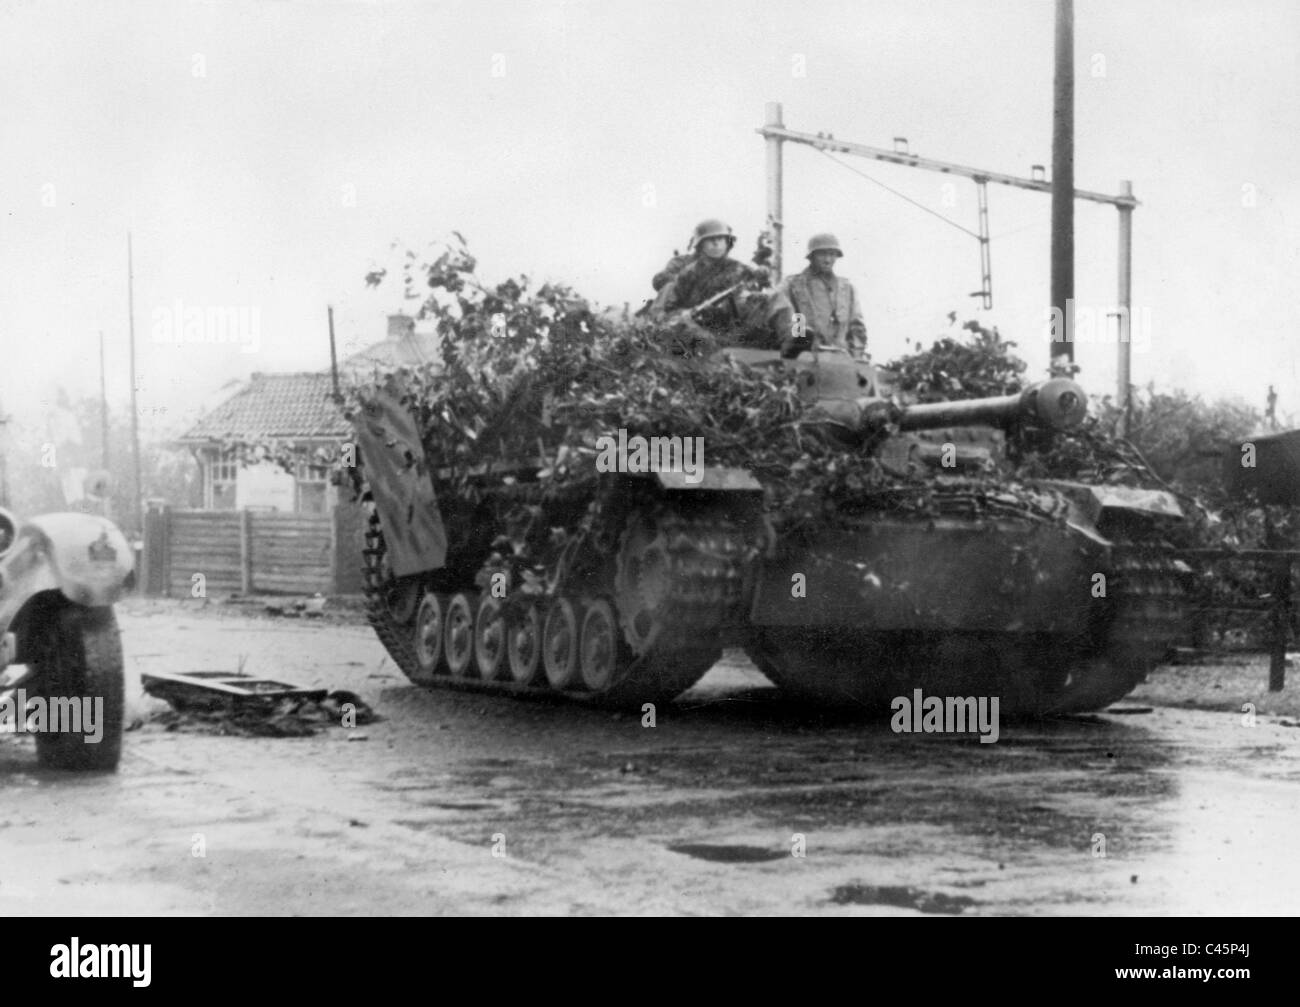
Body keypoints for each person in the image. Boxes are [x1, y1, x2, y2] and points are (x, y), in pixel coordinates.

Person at [652, 219, 791, 348]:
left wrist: (761, 273)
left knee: (776, 299)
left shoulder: (738, 267)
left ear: (728, 243)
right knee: (683, 326)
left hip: (733, 323)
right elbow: (671, 307)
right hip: (700, 326)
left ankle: (796, 340)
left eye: (720, 239)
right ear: (700, 245)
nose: (716, 244)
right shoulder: (688, 272)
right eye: (710, 240)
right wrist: (688, 315)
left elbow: (756, 280)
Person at [778, 233, 867, 359]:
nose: (827, 260)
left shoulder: (847, 289)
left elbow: (857, 328)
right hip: (804, 357)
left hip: (841, 359)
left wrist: (856, 357)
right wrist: (800, 338)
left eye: (832, 254)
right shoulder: (792, 285)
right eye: (822, 254)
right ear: (811, 256)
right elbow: (784, 315)